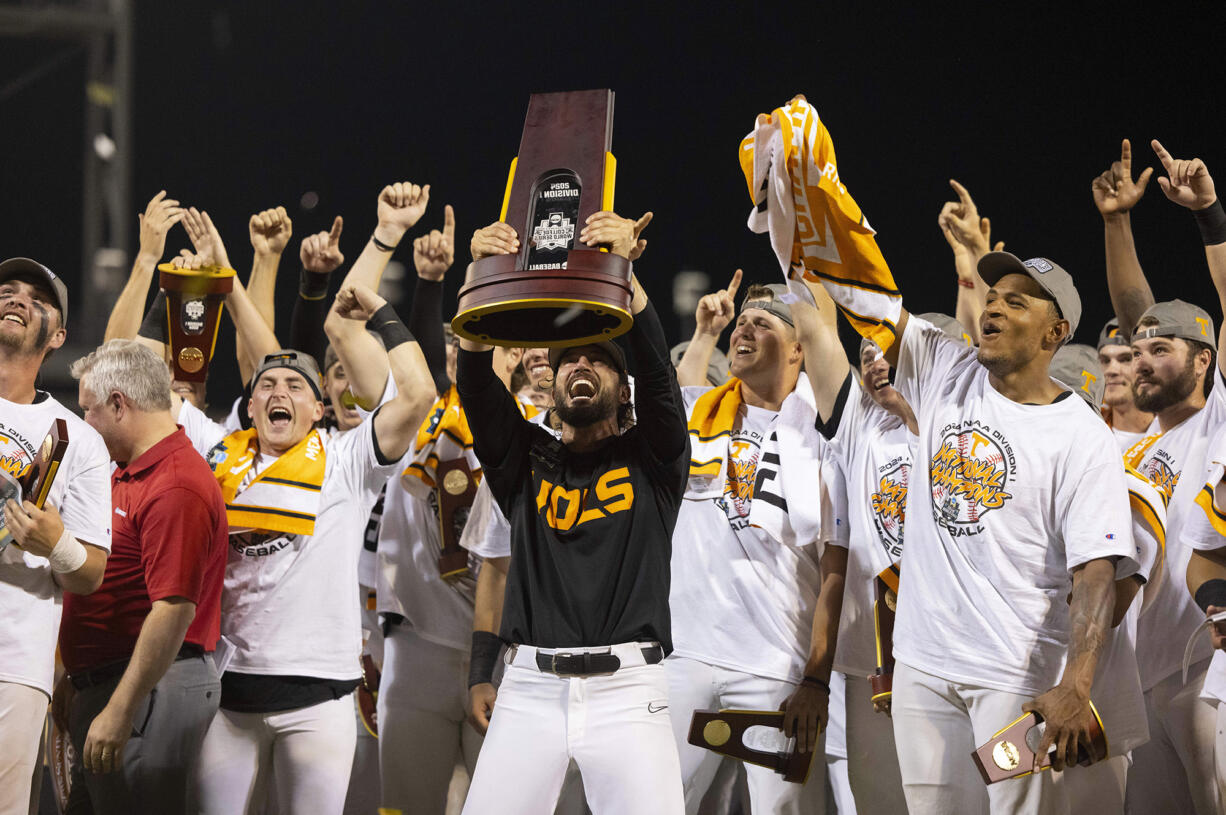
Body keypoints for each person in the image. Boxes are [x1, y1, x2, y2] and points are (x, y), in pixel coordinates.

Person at [839, 247, 1134, 815]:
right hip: (922, 664)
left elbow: (1096, 570)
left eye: (1015, 302)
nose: (992, 309)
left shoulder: (1083, 437)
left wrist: (1078, 683)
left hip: (1015, 674)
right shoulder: (947, 368)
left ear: (1056, 331)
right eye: (991, 297)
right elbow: (868, 298)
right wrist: (808, 203)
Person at [456, 210, 688, 814]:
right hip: (528, 686)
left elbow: (661, 378)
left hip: (630, 689)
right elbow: (477, 387)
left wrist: (626, 279)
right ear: (552, 390)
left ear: (622, 383)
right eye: (567, 361)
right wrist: (481, 275)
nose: (580, 365)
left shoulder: (655, 461)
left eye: (598, 358)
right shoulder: (524, 461)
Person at [669, 275, 847, 814]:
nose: (744, 327)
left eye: (762, 323)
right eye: (741, 322)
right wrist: (705, 333)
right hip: (684, 657)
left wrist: (816, 676)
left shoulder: (827, 437)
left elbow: (835, 564)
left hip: (778, 670)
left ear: (799, 348)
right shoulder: (704, 415)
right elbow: (681, 392)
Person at [1094, 138, 1226, 815]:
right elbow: (1130, 306)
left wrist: (1210, 219)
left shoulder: (1219, 418)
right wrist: (1117, 220)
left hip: (1210, 669)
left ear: (1204, 361)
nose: (1141, 361)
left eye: (1161, 349)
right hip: (1145, 679)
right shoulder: (1132, 445)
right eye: (1135, 350)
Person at [54, 340, 227, 814]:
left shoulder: (175, 484)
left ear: (118, 404)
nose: (84, 422)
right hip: (120, 684)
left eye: (88, 409)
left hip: (149, 690)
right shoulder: (134, 473)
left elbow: (173, 609)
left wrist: (120, 707)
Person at [0, 257, 111, 815]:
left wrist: (56, 544)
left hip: (12, 660)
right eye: (8, 290)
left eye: (35, 299)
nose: (16, 299)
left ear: (58, 336)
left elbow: (90, 572)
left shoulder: (79, 439)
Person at [1096, 318, 1154, 451]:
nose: (1111, 370)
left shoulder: (1173, 434)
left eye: (1126, 359)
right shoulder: (1088, 433)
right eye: (1105, 361)